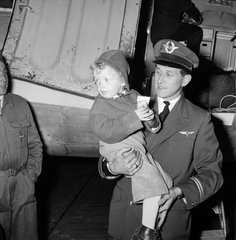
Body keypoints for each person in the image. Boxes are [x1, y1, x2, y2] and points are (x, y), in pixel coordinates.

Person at [98, 40, 224, 240]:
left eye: (169, 74)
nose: (160, 80)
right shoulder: (134, 105)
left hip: (166, 219)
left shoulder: (199, 119)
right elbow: (108, 147)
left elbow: (212, 174)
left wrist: (179, 191)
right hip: (126, 214)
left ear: (185, 80)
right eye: (158, 71)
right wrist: (113, 167)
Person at [89, 50, 172, 240]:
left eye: (106, 80)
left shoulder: (134, 96)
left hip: (138, 148)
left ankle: (152, 226)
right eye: (97, 81)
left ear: (122, 80)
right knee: (152, 182)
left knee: (165, 182)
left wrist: (152, 120)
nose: (100, 85)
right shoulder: (100, 104)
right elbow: (103, 131)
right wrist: (135, 117)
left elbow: (153, 127)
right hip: (119, 148)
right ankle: (147, 232)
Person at [0, 55, 43, 240]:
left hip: (21, 184)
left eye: (4, 73)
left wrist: (30, 175)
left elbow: (35, 144)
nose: (3, 79)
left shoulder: (20, 104)